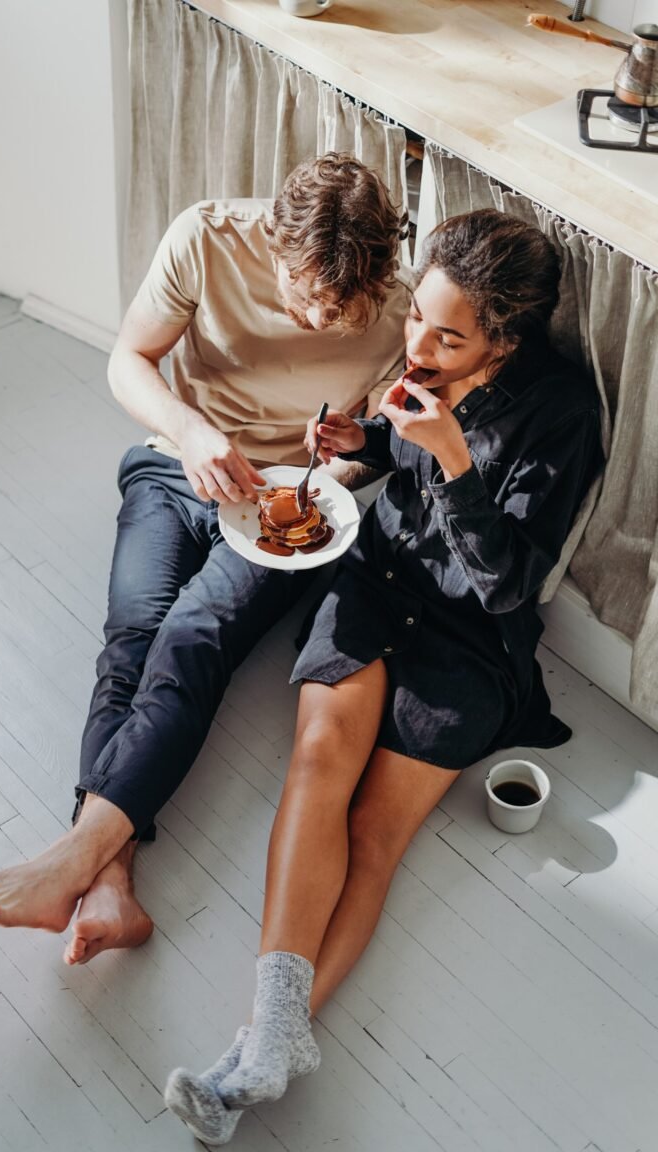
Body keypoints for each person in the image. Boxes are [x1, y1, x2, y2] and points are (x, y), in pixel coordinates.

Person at [163, 208, 603, 1144]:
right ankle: (277, 1032)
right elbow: (394, 461)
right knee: (319, 761)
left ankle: (266, 1048)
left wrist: (454, 462)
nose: (420, 345)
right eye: (416, 319)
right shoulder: (420, 366)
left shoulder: (561, 413)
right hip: (378, 579)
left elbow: (510, 584)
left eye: (449, 335)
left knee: (375, 833)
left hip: (469, 639)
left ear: (505, 338)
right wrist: (361, 445)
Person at [0, 153, 413, 964]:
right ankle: (109, 882)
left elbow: (376, 446)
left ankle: (76, 857)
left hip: (282, 506)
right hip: (173, 466)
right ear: (274, 243)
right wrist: (194, 432)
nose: (315, 322)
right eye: (305, 298)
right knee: (133, 632)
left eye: (339, 312)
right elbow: (130, 360)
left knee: (194, 635)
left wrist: (323, 481)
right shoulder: (206, 237)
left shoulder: (394, 306)